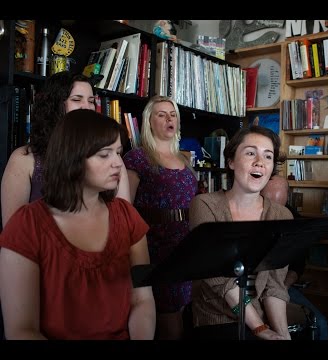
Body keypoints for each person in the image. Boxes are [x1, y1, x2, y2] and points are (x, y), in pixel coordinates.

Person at [0, 109, 155, 339]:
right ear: (72, 157)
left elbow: (142, 299)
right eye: (105, 154)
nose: (118, 164)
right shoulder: (26, 226)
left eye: (119, 153)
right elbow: (21, 329)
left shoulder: (128, 218)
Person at [188, 125, 292, 340]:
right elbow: (219, 280)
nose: (259, 162)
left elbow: (275, 285)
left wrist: (281, 335)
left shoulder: (282, 215)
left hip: (261, 318)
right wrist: (260, 329)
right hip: (217, 319)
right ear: (231, 161)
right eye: (250, 153)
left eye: (268, 156)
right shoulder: (204, 205)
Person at [1, 70, 130, 227]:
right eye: (77, 99)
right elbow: (13, 233)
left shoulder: (113, 159)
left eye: (91, 101)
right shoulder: (24, 158)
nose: (87, 107)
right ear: (55, 106)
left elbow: (125, 223)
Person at [123, 96, 197, 340]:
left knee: (183, 312)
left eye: (172, 114)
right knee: (167, 320)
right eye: (161, 114)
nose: (169, 119)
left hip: (185, 245)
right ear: (149, 122)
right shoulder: (137, 158)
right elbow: (124, 207)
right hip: (153, 246)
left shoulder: (186, 159)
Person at [260, 174, 328, 340]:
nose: (276, 213)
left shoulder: (292, 219)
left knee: (321, 324)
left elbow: (298, 265)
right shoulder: (249, 215)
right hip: (251, 287)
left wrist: (281, 288)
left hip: (282, 286)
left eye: (281, 206)